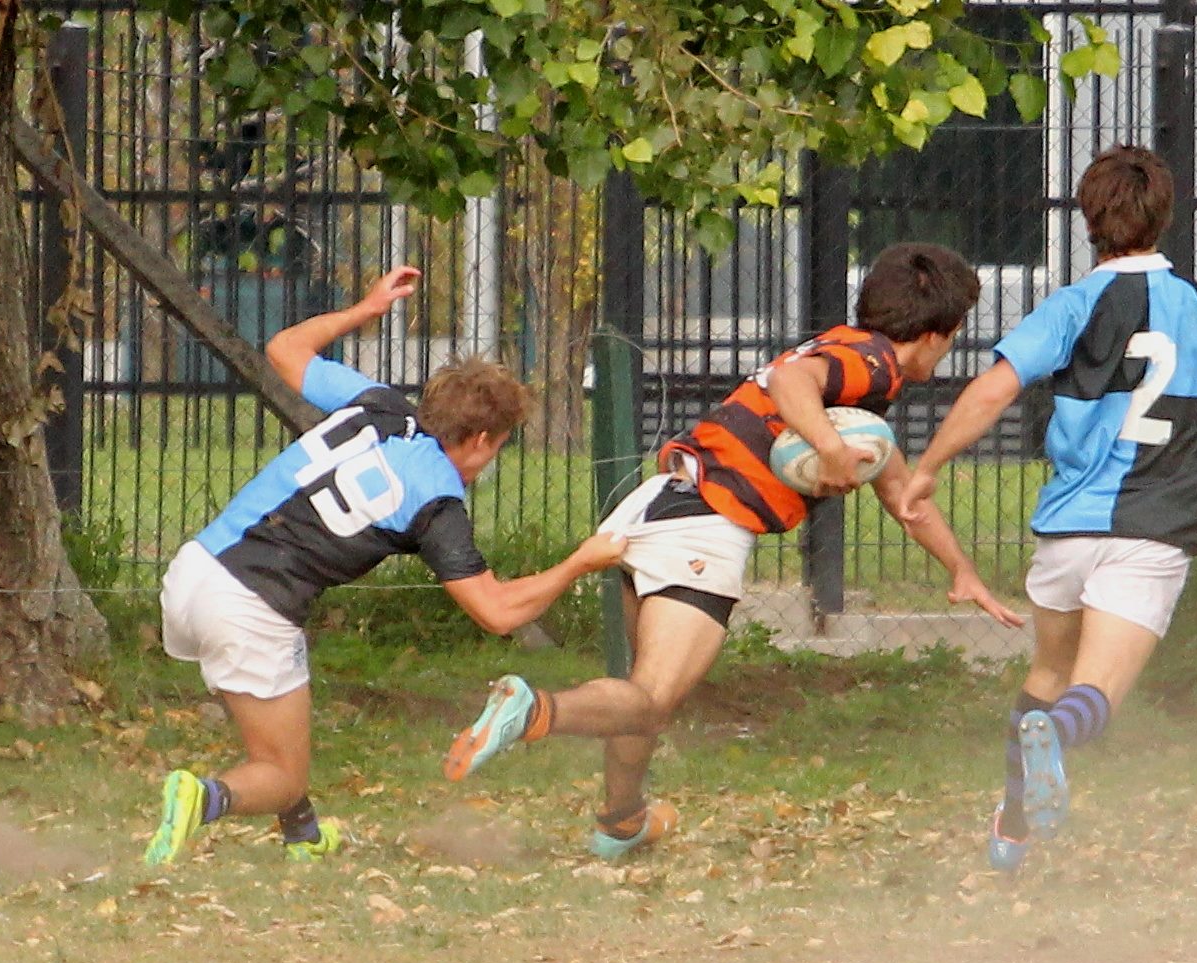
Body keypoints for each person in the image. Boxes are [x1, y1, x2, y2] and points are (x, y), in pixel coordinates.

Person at [439, 242, 1024, 861]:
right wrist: (825, 445)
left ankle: (621, 820)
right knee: (651, 696)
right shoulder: (873, 363)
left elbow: (904, 492)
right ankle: (534, 709)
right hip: (707, 523)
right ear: (939, 333)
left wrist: (962, 571)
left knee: (643, 697)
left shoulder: (852, 358)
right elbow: (789, 380)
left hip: (661, 500)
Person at [146, 266, 626, 866]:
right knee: (280, 772)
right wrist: (582, 560)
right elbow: (497, 612)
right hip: (249, 607)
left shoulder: (378, 406)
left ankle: (304, 836)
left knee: (279, 719)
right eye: (500, 446)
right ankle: (205, 796)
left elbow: (285, 348)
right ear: (479, 439)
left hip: (194, 571)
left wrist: (367, 309)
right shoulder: (437, 500)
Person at [897, 146, 1197, 872]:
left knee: (1048, 674)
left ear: (1089, 220)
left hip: (1069, 526)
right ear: (1164, 216)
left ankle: (1011, 828)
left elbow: (990, 392)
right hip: (1152, 530)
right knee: (1092, 696)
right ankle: (1057, 742)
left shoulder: (1072, 305)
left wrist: (927, 467)